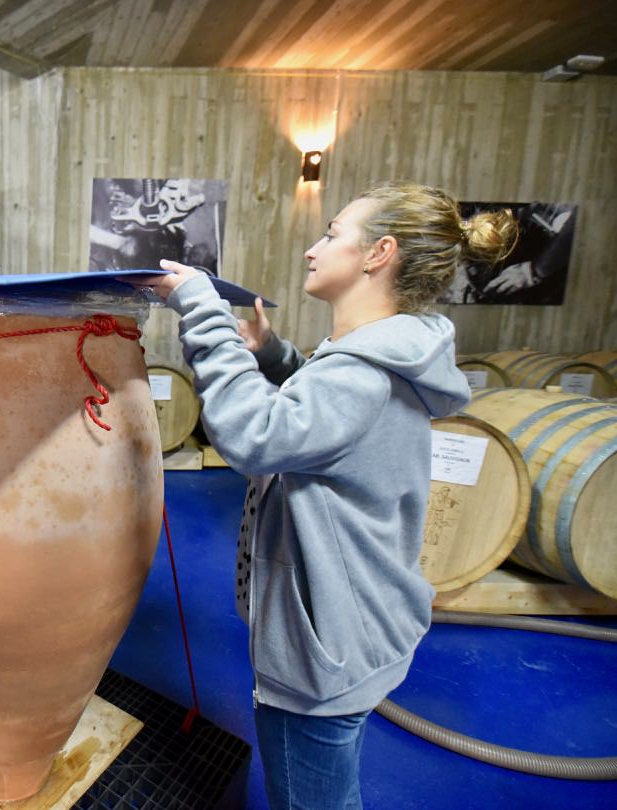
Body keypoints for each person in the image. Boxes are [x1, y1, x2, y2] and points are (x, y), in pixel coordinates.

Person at [127, 182, 516, 809]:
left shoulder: (361, 372)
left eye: (332, 234)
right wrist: (278, 359)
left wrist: (200, 309)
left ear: (378, 252)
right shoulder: (381, 356)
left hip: (324, 644)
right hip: (352, 620)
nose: (313, 249)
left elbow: (255, 437)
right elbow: (332, 417)